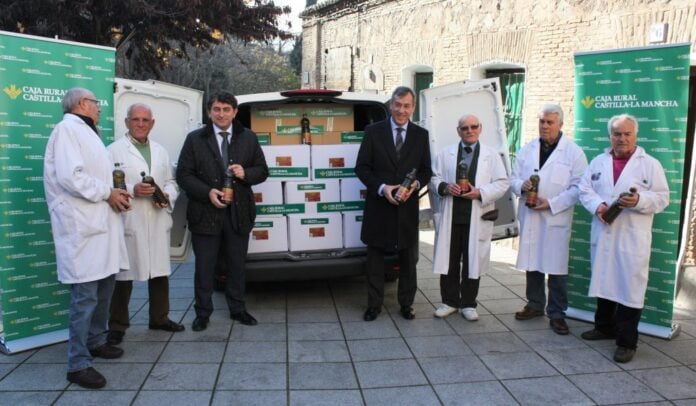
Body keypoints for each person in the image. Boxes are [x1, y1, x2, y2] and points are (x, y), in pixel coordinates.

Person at [44, 87, 131, 389]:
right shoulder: (67, 130)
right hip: (81, 229)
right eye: (96, 103)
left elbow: (97, 176)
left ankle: (96, 341)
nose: (99, 108)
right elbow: (71, 176)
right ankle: (77, 364)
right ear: (82, 103)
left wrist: (116, 194)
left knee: (104, 288)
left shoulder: (87, 131)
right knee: (85, 298)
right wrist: (108, 193)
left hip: (100, 228)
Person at [578, 113, 669, 363]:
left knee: (630, 287)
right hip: (604, 232)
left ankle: (627, 342)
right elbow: (584, 189)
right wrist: (598, 205)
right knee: (604, 280)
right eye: (617, 134)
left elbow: (662, 198)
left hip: (632, 238)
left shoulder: (649, 164)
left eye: (627, 134)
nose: (622, 138)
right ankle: (604, 327)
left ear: (635, 135)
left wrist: (639, 200)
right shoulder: (598, 161)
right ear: (610, 136)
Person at [176, 91, 268, 331]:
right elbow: (183, 175)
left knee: (237, 265)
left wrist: (245, 173)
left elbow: (262, 170)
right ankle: (202, 313)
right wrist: (207, 192)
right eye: (216, 109)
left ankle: (237, 309)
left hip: (238, 213)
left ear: (235, 112)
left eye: (226, 109)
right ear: (209, 112)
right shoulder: (195, 139)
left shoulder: (248, 137)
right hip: (205, 213)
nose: (221, 114)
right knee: (204, 267)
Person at [106, 103, 184, 345]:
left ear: (152, 123)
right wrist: (133, 189)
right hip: (130, 219)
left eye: (145, 120)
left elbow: (171, 181)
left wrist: (166, 195)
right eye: (136, 119)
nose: (140, 124)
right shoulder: (113, 151)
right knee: (123, 276)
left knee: (159, 272)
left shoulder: (160, 151)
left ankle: (159, 318)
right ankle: (117, 325)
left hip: (157, 218)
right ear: (127, 122)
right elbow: (106, 185)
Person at [355, 86, 432, 321]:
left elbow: (426, 171)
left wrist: (415, 185)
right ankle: (374, 305)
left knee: (408, 259)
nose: (401, 110)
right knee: (375, 261)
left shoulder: (421, 135)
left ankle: (407, 304)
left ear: (413, 108)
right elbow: (361, 168)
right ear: (391, 105)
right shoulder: (373, 131)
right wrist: (382, 187)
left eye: (406, 106)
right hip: (379, 207)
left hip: (407, 208)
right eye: (397, 105)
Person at [511, 104, 587, 335]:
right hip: (531, 215)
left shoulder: (573, 153)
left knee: (556, 268)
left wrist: (552, 203)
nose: (544, 126)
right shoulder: (527, 149)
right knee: (532, 262)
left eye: (550, 122)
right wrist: (521, 185)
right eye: (542, 121)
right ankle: (534, 305)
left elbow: (579, 188)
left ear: (560, 124)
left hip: (555, 218)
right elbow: (512, 178)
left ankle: (557, 313)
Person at [430, 115, 509, 320]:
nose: (469, 131)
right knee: (449, 261)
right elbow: (434, 178)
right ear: (459, 131)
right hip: (451, 217)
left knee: (473, 260)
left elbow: (502, 183)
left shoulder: (491, 155)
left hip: (477, 217)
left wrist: (480, 192)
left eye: (474, 127)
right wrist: (445, 187)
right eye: (465, 128)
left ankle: (468, 304)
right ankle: (449, 301)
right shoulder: (445, 153)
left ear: (480, 128)